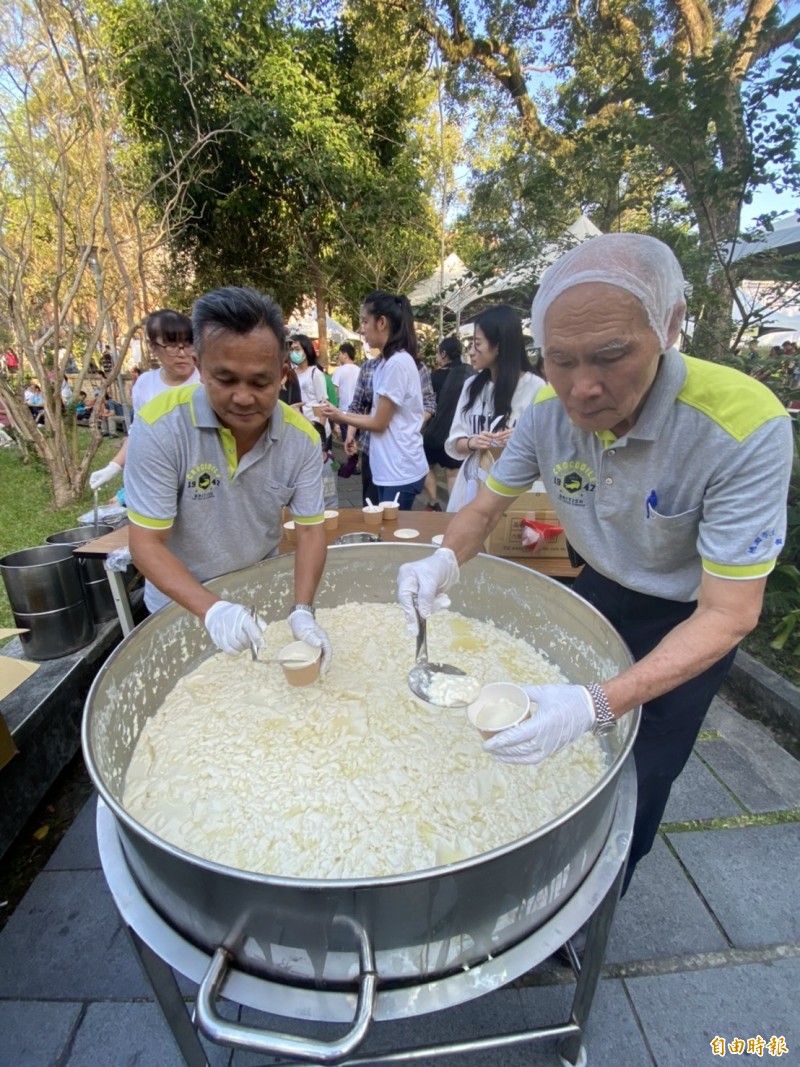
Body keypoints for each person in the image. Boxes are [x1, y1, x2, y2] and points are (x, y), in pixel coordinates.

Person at [397, 233, 793, 899]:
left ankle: (598, 900)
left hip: (691, 616)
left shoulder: (741, 423)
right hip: (601, 587)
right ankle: (542, 866)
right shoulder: (547, 418)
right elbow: (481, 510)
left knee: (642, 767)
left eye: (612, 356)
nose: (583, 387)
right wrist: (440, 559)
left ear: (669, 328)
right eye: (560, 359)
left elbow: (732, 612)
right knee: (569, 744)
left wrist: (598, 700)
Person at [125, 286, 332, 665]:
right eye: (225, 380)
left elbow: (309, 529)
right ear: (200, 367)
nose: (242, 398)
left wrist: (302, 607)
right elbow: (146, 543)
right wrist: (213, 609)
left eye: (260, 382)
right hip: (181, 603)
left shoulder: (300, 439)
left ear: (283, 375)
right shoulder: (159, 428)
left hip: (259, 591)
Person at [319, 292, 430, 510]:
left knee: (392, 538)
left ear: (381, 322)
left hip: (400, 471)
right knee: (384, 533)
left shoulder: (397, 363)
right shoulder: (383, 364)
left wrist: (339, 415)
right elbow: (374, 416)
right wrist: (349, 426)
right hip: (389, 469)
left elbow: (379, 422)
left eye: (364, 321)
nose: (362, 329)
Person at [444, 305, 546, 512]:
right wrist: (473, 442)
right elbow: (455, 443)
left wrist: (521, 440)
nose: (471, 351)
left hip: (514, 492)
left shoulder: (535, 387)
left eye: (477, 343)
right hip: (471, 486)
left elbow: (547, 448)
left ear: (498, 346)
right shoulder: (471, 386)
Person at [89, 310, 200, 491]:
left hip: (201, 477)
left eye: (188, 344)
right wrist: (114, 466)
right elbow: (140, 433)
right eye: (172, 345)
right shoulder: (145, 384)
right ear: (152, 347)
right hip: (161, 476)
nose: (183, 353)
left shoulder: (206, 380)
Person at [421, 336, 475, 510]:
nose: (437, 357)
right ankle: (453, 511)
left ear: (444, 354)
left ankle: (433, 502)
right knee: (452, 474)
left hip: (434, 433)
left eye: (438, 353)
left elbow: (427, 404)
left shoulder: (434, 377)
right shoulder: (470, 375)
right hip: (457, 434)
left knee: (426, 466)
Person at [289, 334, 328, 443]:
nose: (293, 353)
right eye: (291, 350)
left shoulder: (315, 373)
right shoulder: (292, 374)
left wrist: (320, 431)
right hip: (300, 426)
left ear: (306, 350)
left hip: (314, 426)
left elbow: (323, 404)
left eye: (297, 349)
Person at [331, 343, 360, 441]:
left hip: (344, 412)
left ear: (345, 355)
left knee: (347, 441)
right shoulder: (360, 370)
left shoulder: (339, 370)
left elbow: (334, 392)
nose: (339, 356)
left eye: (340, 354)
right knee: (355, 440)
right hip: (358, 413)